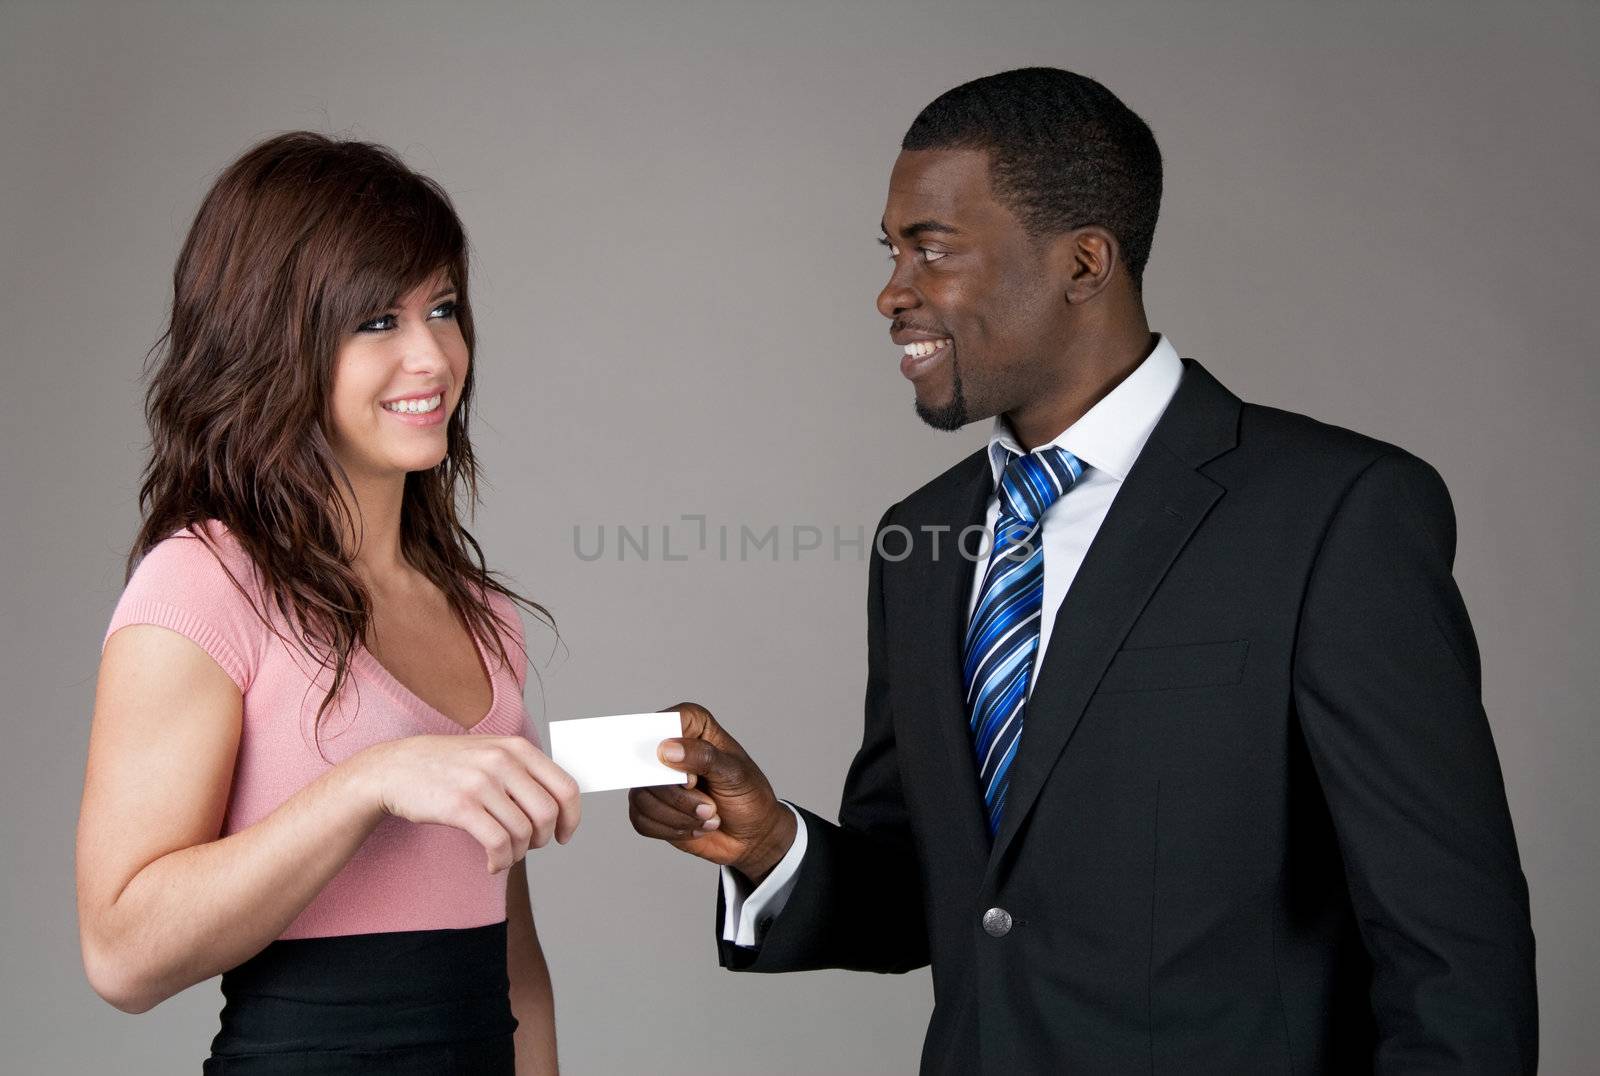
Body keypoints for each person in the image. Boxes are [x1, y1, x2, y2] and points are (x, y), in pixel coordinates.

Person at [629, 68, 1538, 1072]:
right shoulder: (919, 541)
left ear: (1083, 262)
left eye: (930, 247)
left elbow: (1454, 958)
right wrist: (768, 844)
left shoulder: (1334, 512)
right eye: (891, 251)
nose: (891, 292)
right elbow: (949, 898)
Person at [77, 132, 580, 1074]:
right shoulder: (201, 585)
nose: (432, 356)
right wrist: (366, 785)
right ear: (274, 339)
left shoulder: (482, 618)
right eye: (377, 323)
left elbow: (513, 972)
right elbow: (121, 955)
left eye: (443, 307)